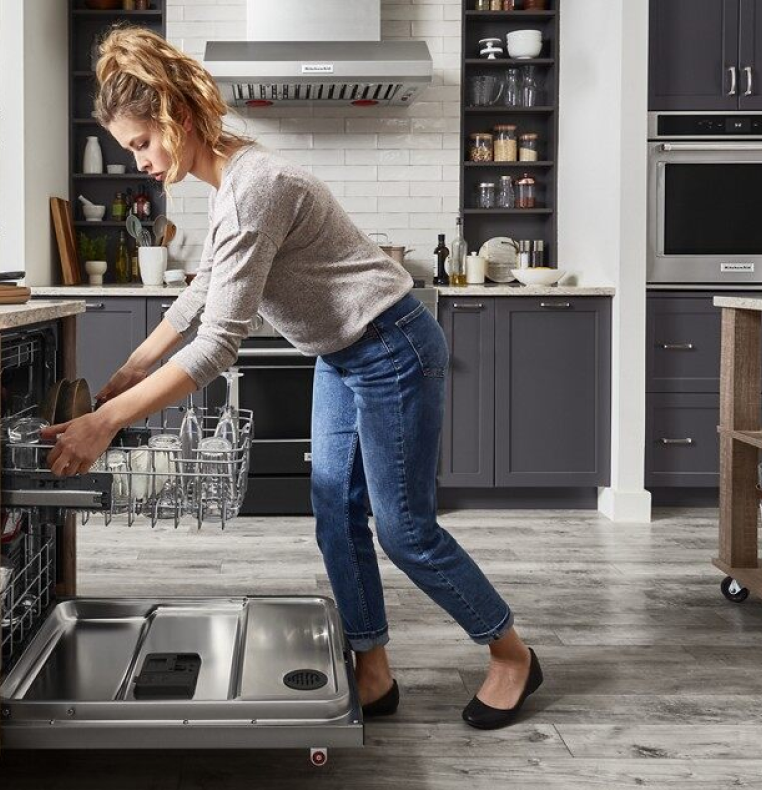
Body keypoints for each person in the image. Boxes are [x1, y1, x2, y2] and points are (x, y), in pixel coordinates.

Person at [43, 26, 543, 730]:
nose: (141, 162)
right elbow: (202, 290)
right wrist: (132, 367)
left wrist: (105, 422)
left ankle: (511, 653)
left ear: (175, 121)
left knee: (404, 531)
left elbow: (218, 343)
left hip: (391, 346)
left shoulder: (255, 189)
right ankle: (373, 671)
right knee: (336, 513)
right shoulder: (229, 184)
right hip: (343, 353)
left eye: (141, 144)